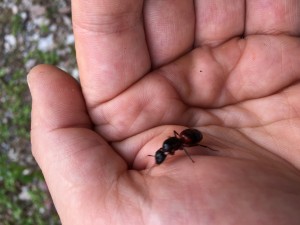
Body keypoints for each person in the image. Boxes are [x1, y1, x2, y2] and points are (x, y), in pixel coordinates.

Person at [28, 1, 300, 224]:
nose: (160, 158)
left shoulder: (175, 145)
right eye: (161, 156)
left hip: (189, 137)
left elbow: (179, 144)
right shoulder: (171, 146)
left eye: (160, 156)